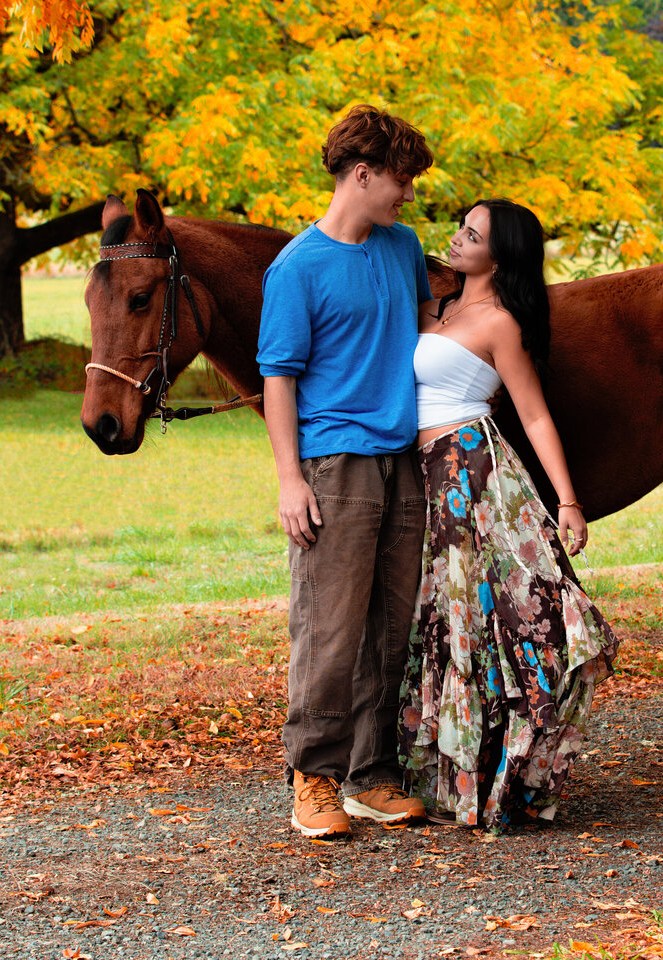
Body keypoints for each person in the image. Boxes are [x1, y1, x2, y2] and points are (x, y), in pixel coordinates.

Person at [398, 199, 620, 832]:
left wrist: (568, 501)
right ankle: (454, 782)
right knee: (448, 619)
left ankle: (507, 774)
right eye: (462, 228)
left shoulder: (500, 323)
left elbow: (535, 414)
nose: (457, 239)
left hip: (473, 473)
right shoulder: (435, 308)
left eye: (473, 235)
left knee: (497, 616)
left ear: (500, 257)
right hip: (428, 476)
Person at [257, 105, 435, 838]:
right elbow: (278, 377)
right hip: (335, 466)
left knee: (393, 629)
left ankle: (371, 774)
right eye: (401, 181)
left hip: (404, 462)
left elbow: (425, 331)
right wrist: (290, 480)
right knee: (329, 631)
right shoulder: (297, 268)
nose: (408, 195)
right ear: (362, 174)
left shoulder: (403, 246)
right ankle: (314, 775)